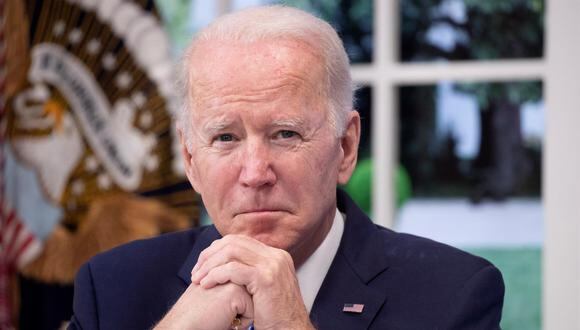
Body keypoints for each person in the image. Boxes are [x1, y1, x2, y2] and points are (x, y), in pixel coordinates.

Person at [69, 5, 504, 330]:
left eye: (285, 134)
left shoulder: (453, 296)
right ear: (190, 160)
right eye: (225, 138)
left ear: (346, 147)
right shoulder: (111, 288)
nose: (255, 172)